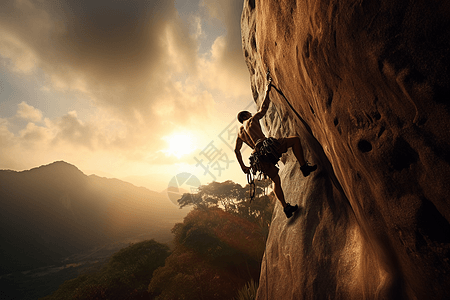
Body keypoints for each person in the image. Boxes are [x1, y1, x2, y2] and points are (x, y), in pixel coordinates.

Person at [234, 77, 317, 218]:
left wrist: (243, 167)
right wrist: (267, 90)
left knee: (275, 180)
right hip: (268, 147)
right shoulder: (251, 120)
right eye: (249, 113)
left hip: (258, 158)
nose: (250, 114)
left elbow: (236, 150)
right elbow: (263, 109)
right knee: (295, 140)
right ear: (246, 115)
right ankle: (304, 167)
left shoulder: (240, 133)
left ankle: (286, 208)